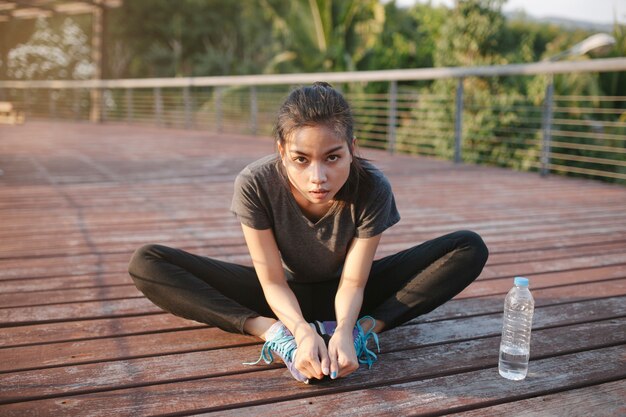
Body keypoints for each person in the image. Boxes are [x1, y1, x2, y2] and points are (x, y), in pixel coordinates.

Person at [128, 82, 489, 384]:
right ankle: (272, 334)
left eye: (333, 157)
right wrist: (298, 331)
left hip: (353, 292)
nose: (318, 178)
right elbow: (271, 281)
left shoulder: (373, 186)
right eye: (301, 159)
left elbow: (353, 282)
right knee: (147, 262)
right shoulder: (256, 182)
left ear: (351, 148)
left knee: (468, 247)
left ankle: (367, 330)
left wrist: (347, 329)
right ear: (282, 152)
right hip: (280, 297)